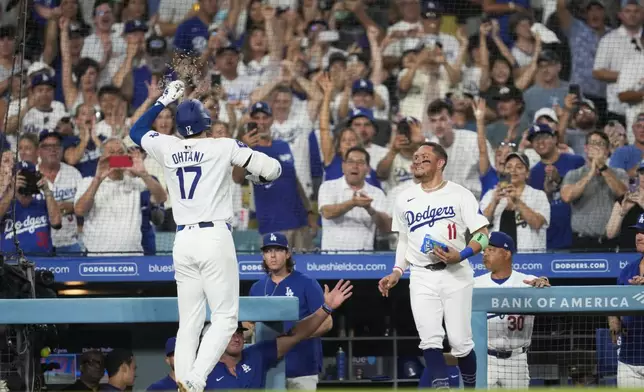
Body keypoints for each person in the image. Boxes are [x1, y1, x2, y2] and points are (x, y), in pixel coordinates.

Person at [129, 80, 282, 392]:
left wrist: (164, 100)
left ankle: (183, 383)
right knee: (225, 318)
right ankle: (197, 380)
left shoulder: (167, 145)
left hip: (182, 241)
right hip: (213, 237)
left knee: (190, 322)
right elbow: (274, 170)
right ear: (207, 124)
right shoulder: (222, 145)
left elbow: (136, 131)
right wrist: (253, 171)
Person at [378, 142, 490, 389]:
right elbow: (404, 239)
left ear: (440, 163)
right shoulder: (404, 197)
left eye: (424, 158)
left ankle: (470, 388)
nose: (417, 161)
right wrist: (397, 271)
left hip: (456, 274)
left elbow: (483, 235)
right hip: (421, 276)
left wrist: (461, 255)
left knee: (461, 343)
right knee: (429, 340)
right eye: (415, 158)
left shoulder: (460, 194)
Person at [204, 280, 353, 390]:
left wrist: (326, 308)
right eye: (230, 334)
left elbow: (296, 335)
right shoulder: (203, 366)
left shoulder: (256, 355)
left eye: (239, 333)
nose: (236, 338)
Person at [248, 232, 330, 390]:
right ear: (263, 255)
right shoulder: (257, 287)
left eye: (278, 250)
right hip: (269, 366)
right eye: (268, 251)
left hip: (302, 366)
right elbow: (249, 324)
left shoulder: (307, 283)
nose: (273, 255)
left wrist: (295, 336)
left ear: (287, 254)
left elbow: (326, 323)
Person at [474, 231, 551, 389]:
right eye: (484, 250)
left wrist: (543, 282)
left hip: (516, 359)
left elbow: (547, 291)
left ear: (506, 253)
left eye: (491, 250)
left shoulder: (526, 281)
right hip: (486, 357)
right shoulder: (475, 284)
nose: (485, 254)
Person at [609, 212, 644, 388]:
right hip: (629, 358)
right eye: (638, 231)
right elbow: (613, 304)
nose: (639, 236)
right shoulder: (628, 270)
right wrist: (614, 322)